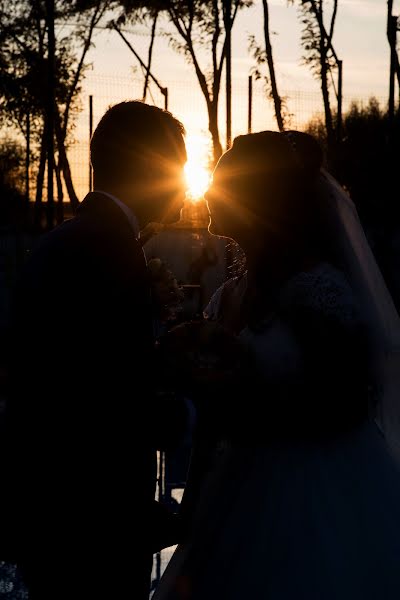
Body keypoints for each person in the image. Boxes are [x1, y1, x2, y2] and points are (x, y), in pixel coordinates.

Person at [153, 131, 400, 599]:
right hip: (237, 487)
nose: (206, 194)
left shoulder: (316, 291)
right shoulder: (232, 293)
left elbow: (345, 403)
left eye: (223, 183)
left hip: (316, 495)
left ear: (259, 199)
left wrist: (248, 395)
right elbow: (216, 410)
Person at [4, 101, 191, 600]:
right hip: (89, 523)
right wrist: (181, 416)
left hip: (57, 509)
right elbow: (98, 395)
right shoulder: (104, 250)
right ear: (152, 166)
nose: (185, 179)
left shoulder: (74, 239)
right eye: (180, 165)